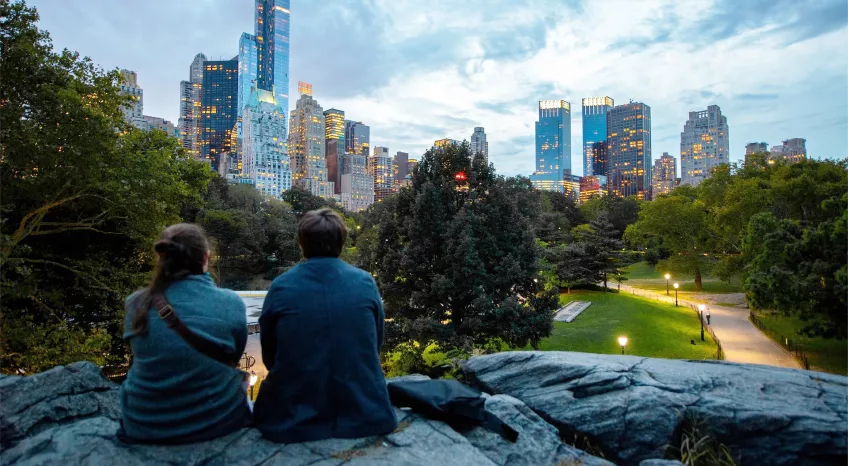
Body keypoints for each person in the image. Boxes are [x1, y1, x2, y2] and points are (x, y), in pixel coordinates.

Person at [254, 208, 397, 443]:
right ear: (341, 242)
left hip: (290, 418)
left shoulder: (281, 286)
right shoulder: (364, 282)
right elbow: (374, 344)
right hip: (366, 412)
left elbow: (270, 356)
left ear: (301, 243)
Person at [118, 223, 251, 444]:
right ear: (206, 258)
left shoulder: (135, 303)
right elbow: (232, 356)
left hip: (143, 424)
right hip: (218, 422)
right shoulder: (230, 303)